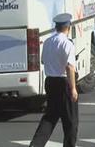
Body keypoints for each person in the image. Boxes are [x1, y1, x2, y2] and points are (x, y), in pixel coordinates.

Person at [30, 13, 78, 147]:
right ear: (68, 27)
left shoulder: (47, 42)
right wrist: (73, 88)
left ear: (56, 27)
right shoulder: (67, 43)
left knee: (50, 116)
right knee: (71, 120)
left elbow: (43, 61)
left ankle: (36, 144)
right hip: (64, 82)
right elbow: (69, 67)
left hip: (50, 81)